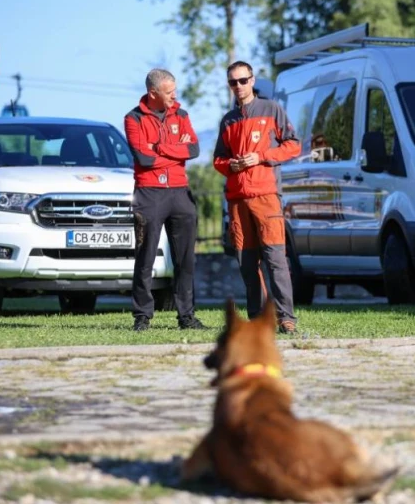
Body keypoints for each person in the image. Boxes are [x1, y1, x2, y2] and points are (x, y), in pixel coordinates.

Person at [213, 61, 301, 333]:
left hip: (266, 196)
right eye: (232, 82)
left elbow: (293, 146)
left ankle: (286, 319)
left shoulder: (272, 109)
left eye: (242, 80)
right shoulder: (228, 120)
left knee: (275, 259)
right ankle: (257, 319)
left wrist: (260, 157)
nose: (238, 86)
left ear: (252, 81)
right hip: (237, 200)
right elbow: (218, 159)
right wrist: (232, 166)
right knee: (247, 263)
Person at [124, 68, 206, 331]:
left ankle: (186, 316)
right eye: (170, 92)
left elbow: (193, 149)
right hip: (149, 193)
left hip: (180, 192)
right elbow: (143, 159)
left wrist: (158, 147)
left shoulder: (181, 114)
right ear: (153, 93)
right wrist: (174, 150)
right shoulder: (133, 118)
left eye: (175, 90)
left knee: (185, 259)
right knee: (145, 256)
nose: (175, 95)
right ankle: (143, 316)